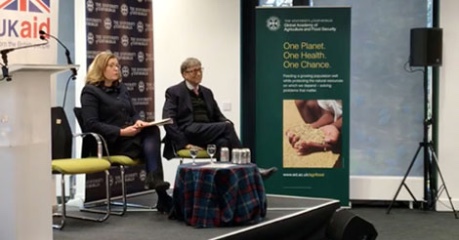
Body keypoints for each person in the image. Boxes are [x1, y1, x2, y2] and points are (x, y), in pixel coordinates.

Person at [80, 51, 172, 213]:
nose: (117, 69)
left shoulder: (121, 88)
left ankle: (156, 183)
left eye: (117, 65)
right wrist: (121, 132)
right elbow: (91, 124)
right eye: (112, 65)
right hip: (108, 142)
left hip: (129, 137)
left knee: (152, 130)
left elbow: (133, 113)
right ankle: (161, 194)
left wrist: (138, 121)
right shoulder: (90, 92)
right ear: (101, 68)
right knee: (151, 146)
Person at [162, 57, 277, 179]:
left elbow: (218, 116)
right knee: (226, 127)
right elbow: (168, 120)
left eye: (200, 70)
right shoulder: (174, 92)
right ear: (184, 74)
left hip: (206, 133)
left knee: (224, 142)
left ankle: (223, 184)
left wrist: (227, 123)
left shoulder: (207, 92)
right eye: (194, 71)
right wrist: (184, 143)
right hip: (189, 131)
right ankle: (251, 169)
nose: (199, 73)